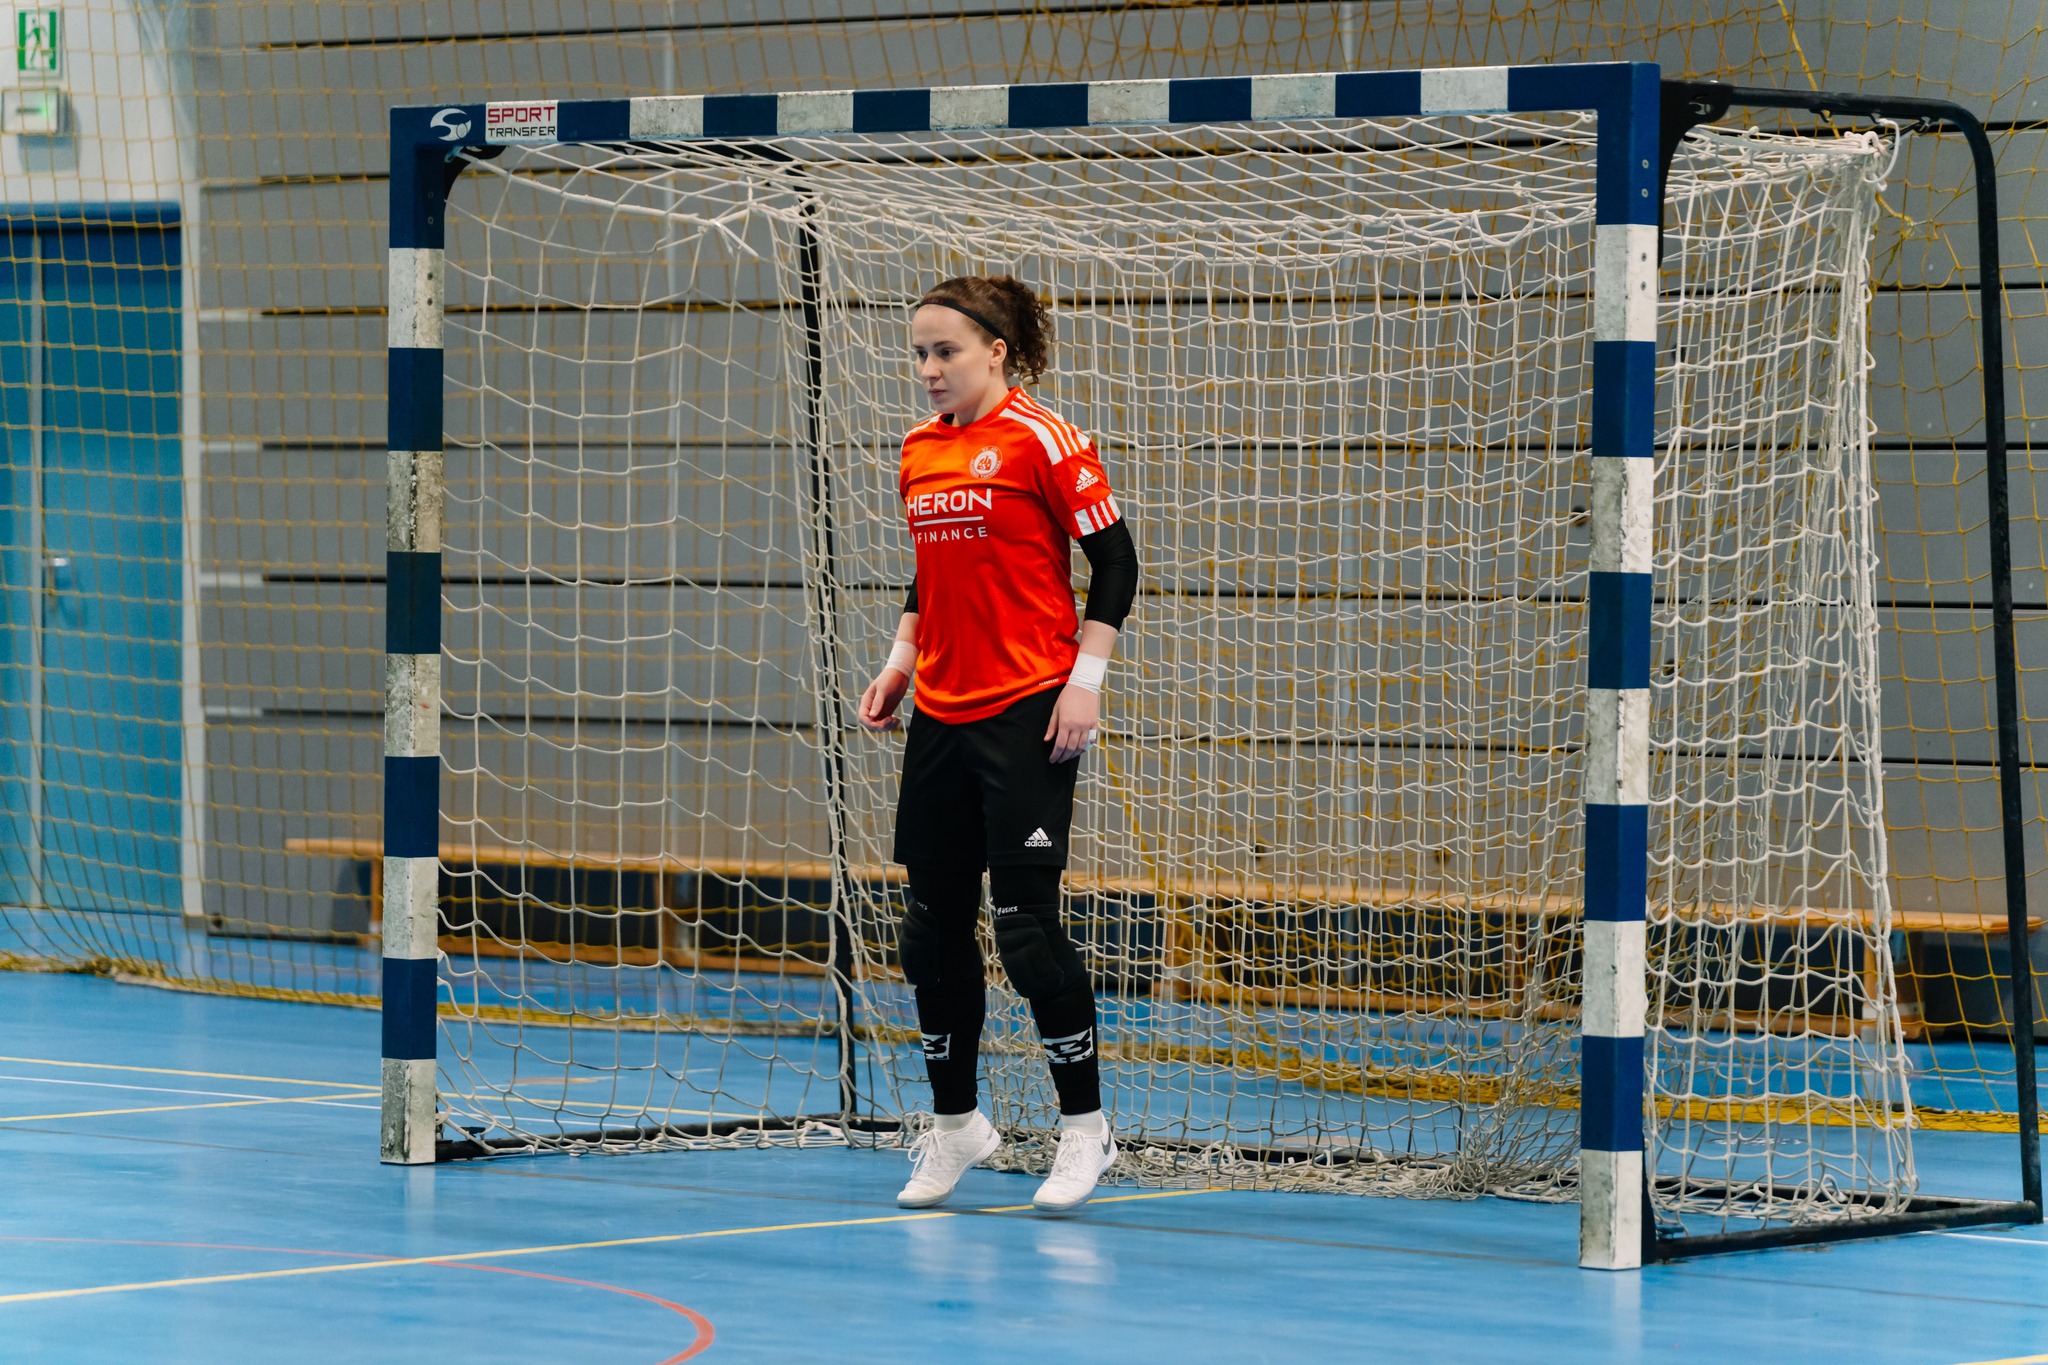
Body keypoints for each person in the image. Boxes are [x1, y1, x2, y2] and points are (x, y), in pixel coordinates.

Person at [857, 274, 1139, 1213]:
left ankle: (1085, 1128)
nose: (930, 369)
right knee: (930, 930)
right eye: (920, 353)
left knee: (1025, 931)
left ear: (996, 352)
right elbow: (929, 573)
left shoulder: (1044, 439)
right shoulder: (918, 449)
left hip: (1028, 708)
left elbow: (1116, 560)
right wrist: (898, 664)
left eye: (946, 351)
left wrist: (1084, 682)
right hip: (941, 711)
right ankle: (956, 1126)